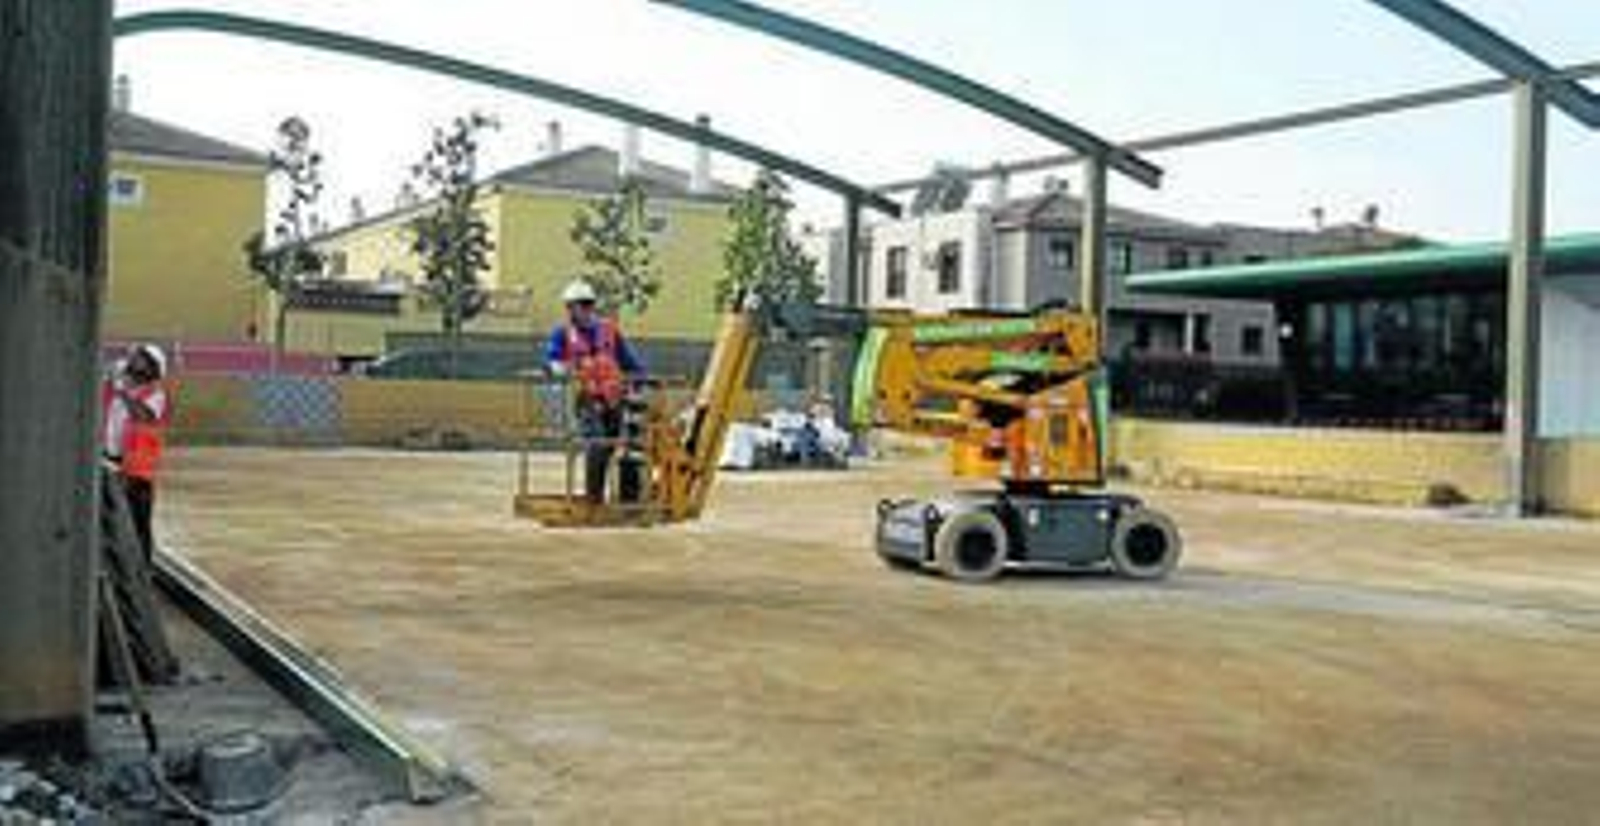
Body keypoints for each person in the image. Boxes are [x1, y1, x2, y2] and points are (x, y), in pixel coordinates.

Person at [545, 280, 646, 504]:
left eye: (580, 306)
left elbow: (629, 360)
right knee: (597, 444)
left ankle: (624, 499)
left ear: (589, 306)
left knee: (616, 447)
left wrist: (642, 378)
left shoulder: (609, 331)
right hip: (586, 399)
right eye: (571, 306)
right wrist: (558, 369)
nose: (574, 311)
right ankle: (594, 499)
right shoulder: (562, 334)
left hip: (614, 398)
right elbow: (553, 359)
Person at [102, 344, 173, 563]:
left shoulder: (155, 394)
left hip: (136, 470)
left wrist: (122, 390)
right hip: (110, 459)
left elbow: (142, 415)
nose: (134, 361)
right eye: (135, 357)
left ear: (153, 369)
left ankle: (142, 570)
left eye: (142, 359)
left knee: (137, 522)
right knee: (110, 519)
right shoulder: (115, 389)